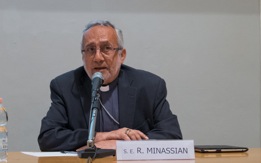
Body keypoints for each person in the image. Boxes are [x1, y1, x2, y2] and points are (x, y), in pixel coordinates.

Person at [38, 20, 182, 151]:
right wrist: (101, 137)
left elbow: (172, 135)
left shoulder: (150, 85)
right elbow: (48, 138)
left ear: (122, 55)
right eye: (90, 49)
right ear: (83, 56)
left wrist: (122, 145)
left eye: (106, 48)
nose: (98, 58)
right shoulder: (65, 86)